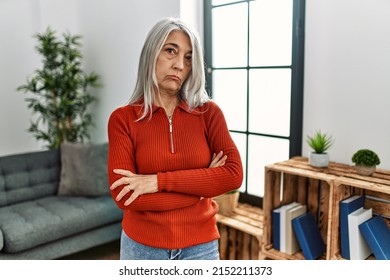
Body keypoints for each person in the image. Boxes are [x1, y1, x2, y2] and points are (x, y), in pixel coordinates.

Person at [107, 17, 243, 260]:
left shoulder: (209, 113)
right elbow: (125, 196)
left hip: (201, 248)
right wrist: (201, 189)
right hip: (142, 249)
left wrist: (156, 182)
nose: (180, 65)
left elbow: (233, 175)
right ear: (151, 53)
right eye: (171, 51)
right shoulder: (122, 119)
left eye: (188, 58)